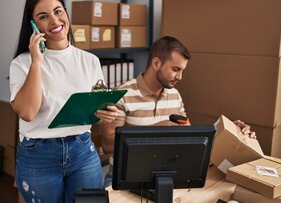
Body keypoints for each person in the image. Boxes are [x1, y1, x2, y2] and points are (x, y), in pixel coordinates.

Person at [9, 0, 117, 203]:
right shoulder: (22, 64)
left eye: (58, 12)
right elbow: (28, 112)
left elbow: (92, 108)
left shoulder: (90, 61)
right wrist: (37, 61)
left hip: (82, 150)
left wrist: (104, 113)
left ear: (66, 14)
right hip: (39, 155)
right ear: (33, 25)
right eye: (43, 16)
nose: (55, 20)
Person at [95, 36, 256, 188]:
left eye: (182, 70)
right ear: (156, 63)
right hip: (125, 178)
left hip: (164, 176)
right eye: (175, 69)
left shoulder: (174, 95)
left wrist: (227, 129)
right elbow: (108, 145)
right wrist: (155, 130)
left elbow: (191, 137)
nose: (180, 76)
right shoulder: (121, 95)